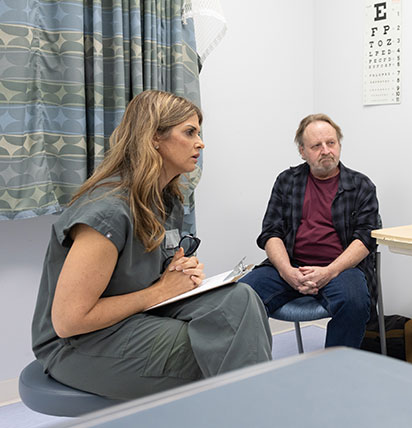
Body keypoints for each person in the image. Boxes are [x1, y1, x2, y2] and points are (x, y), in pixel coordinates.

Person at [31, 90, 272, 400]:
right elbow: (69, 321)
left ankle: (256, 409)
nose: (200, 143)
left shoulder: (165, 201)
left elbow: (151, 272)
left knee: (241, 298)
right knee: (224, 343)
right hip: (79, 345)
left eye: (198, 132)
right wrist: (159, 291)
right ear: (154, 137)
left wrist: (179, 274)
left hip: (134, 320)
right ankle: (260, 411)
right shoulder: (108, 210)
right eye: (189, 132)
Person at [239, 113, 379, 348]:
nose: (326, 150)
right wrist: (287, 272)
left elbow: (366, 239)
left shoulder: (361, 185)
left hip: (341, 268)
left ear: (339, 145)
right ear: (302, 151)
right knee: (242, 295)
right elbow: (270, 232)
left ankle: (334, 371)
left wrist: (329, 272)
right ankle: (253, 371)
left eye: (331, 143)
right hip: (290, 265)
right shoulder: (286, 181)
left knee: (354, 302)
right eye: (316, 146)